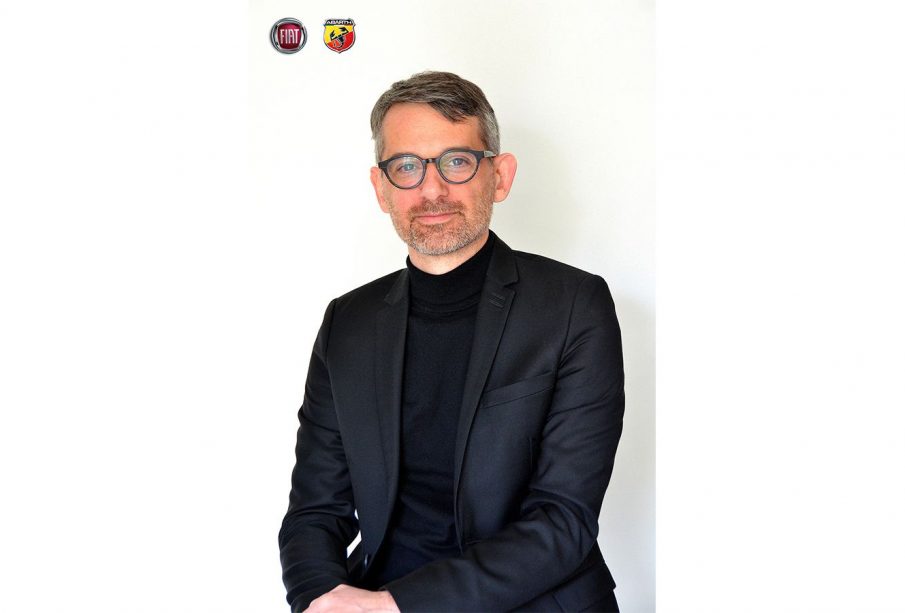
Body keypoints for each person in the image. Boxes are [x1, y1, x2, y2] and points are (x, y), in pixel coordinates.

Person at [279, 71, 625, 612]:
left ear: (500, 177)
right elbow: (314, 512)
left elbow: (563, 521)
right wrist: (322, 600)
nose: (432, 190)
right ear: (381, 188)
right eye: (406, 166)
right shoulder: (347, 322)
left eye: (457, 162)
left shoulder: (574, 306)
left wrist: (396, 606)